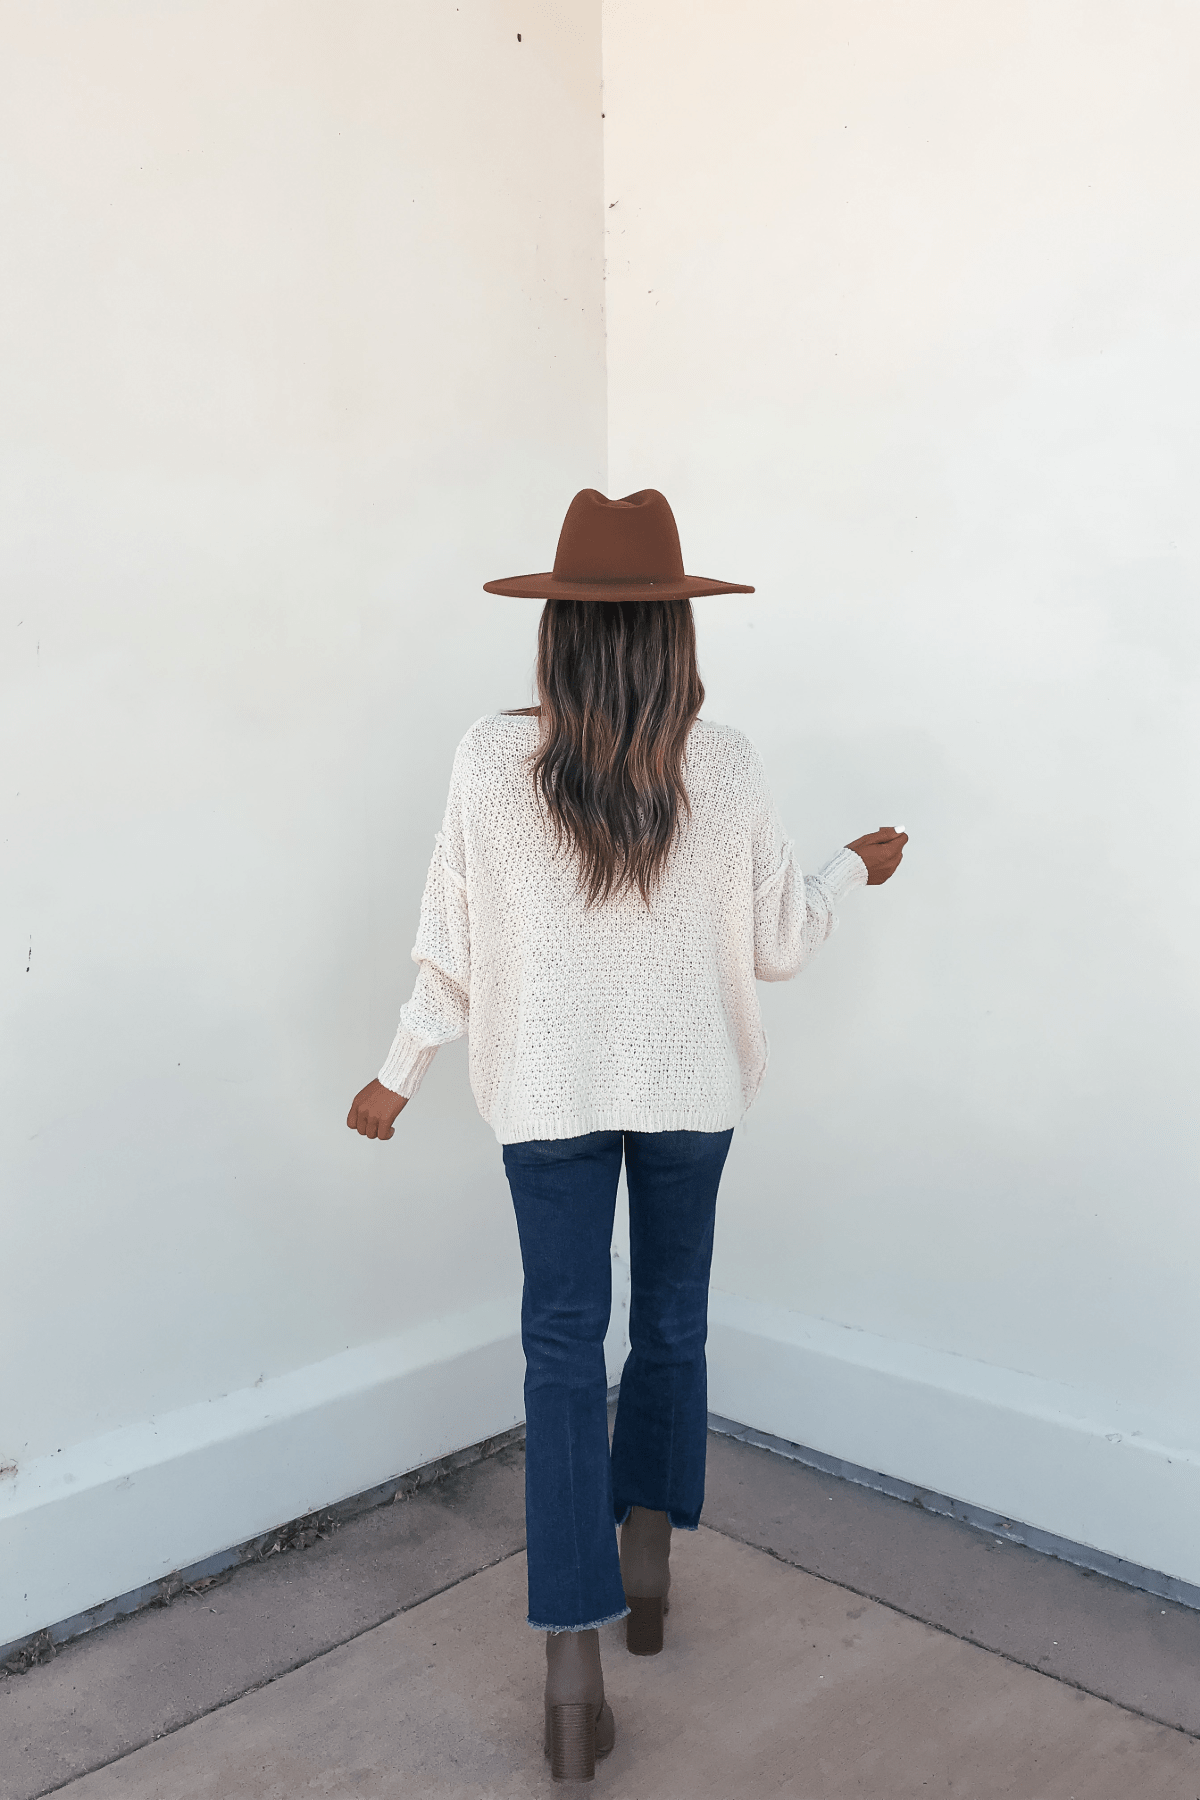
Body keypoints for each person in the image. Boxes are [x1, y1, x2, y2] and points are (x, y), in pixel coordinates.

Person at [346, 488, 906, 1783]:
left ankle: (569, 1675)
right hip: (691, 1098)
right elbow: (778, 946)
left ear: (555, 628)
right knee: (670, 1322)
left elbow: (454, 936)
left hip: (543, 1101)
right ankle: (646, 1568)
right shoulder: (730, 759)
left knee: (557, 1354)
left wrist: (399, 1073)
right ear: (676, 632)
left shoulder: (490, 758)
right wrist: (850, 871)